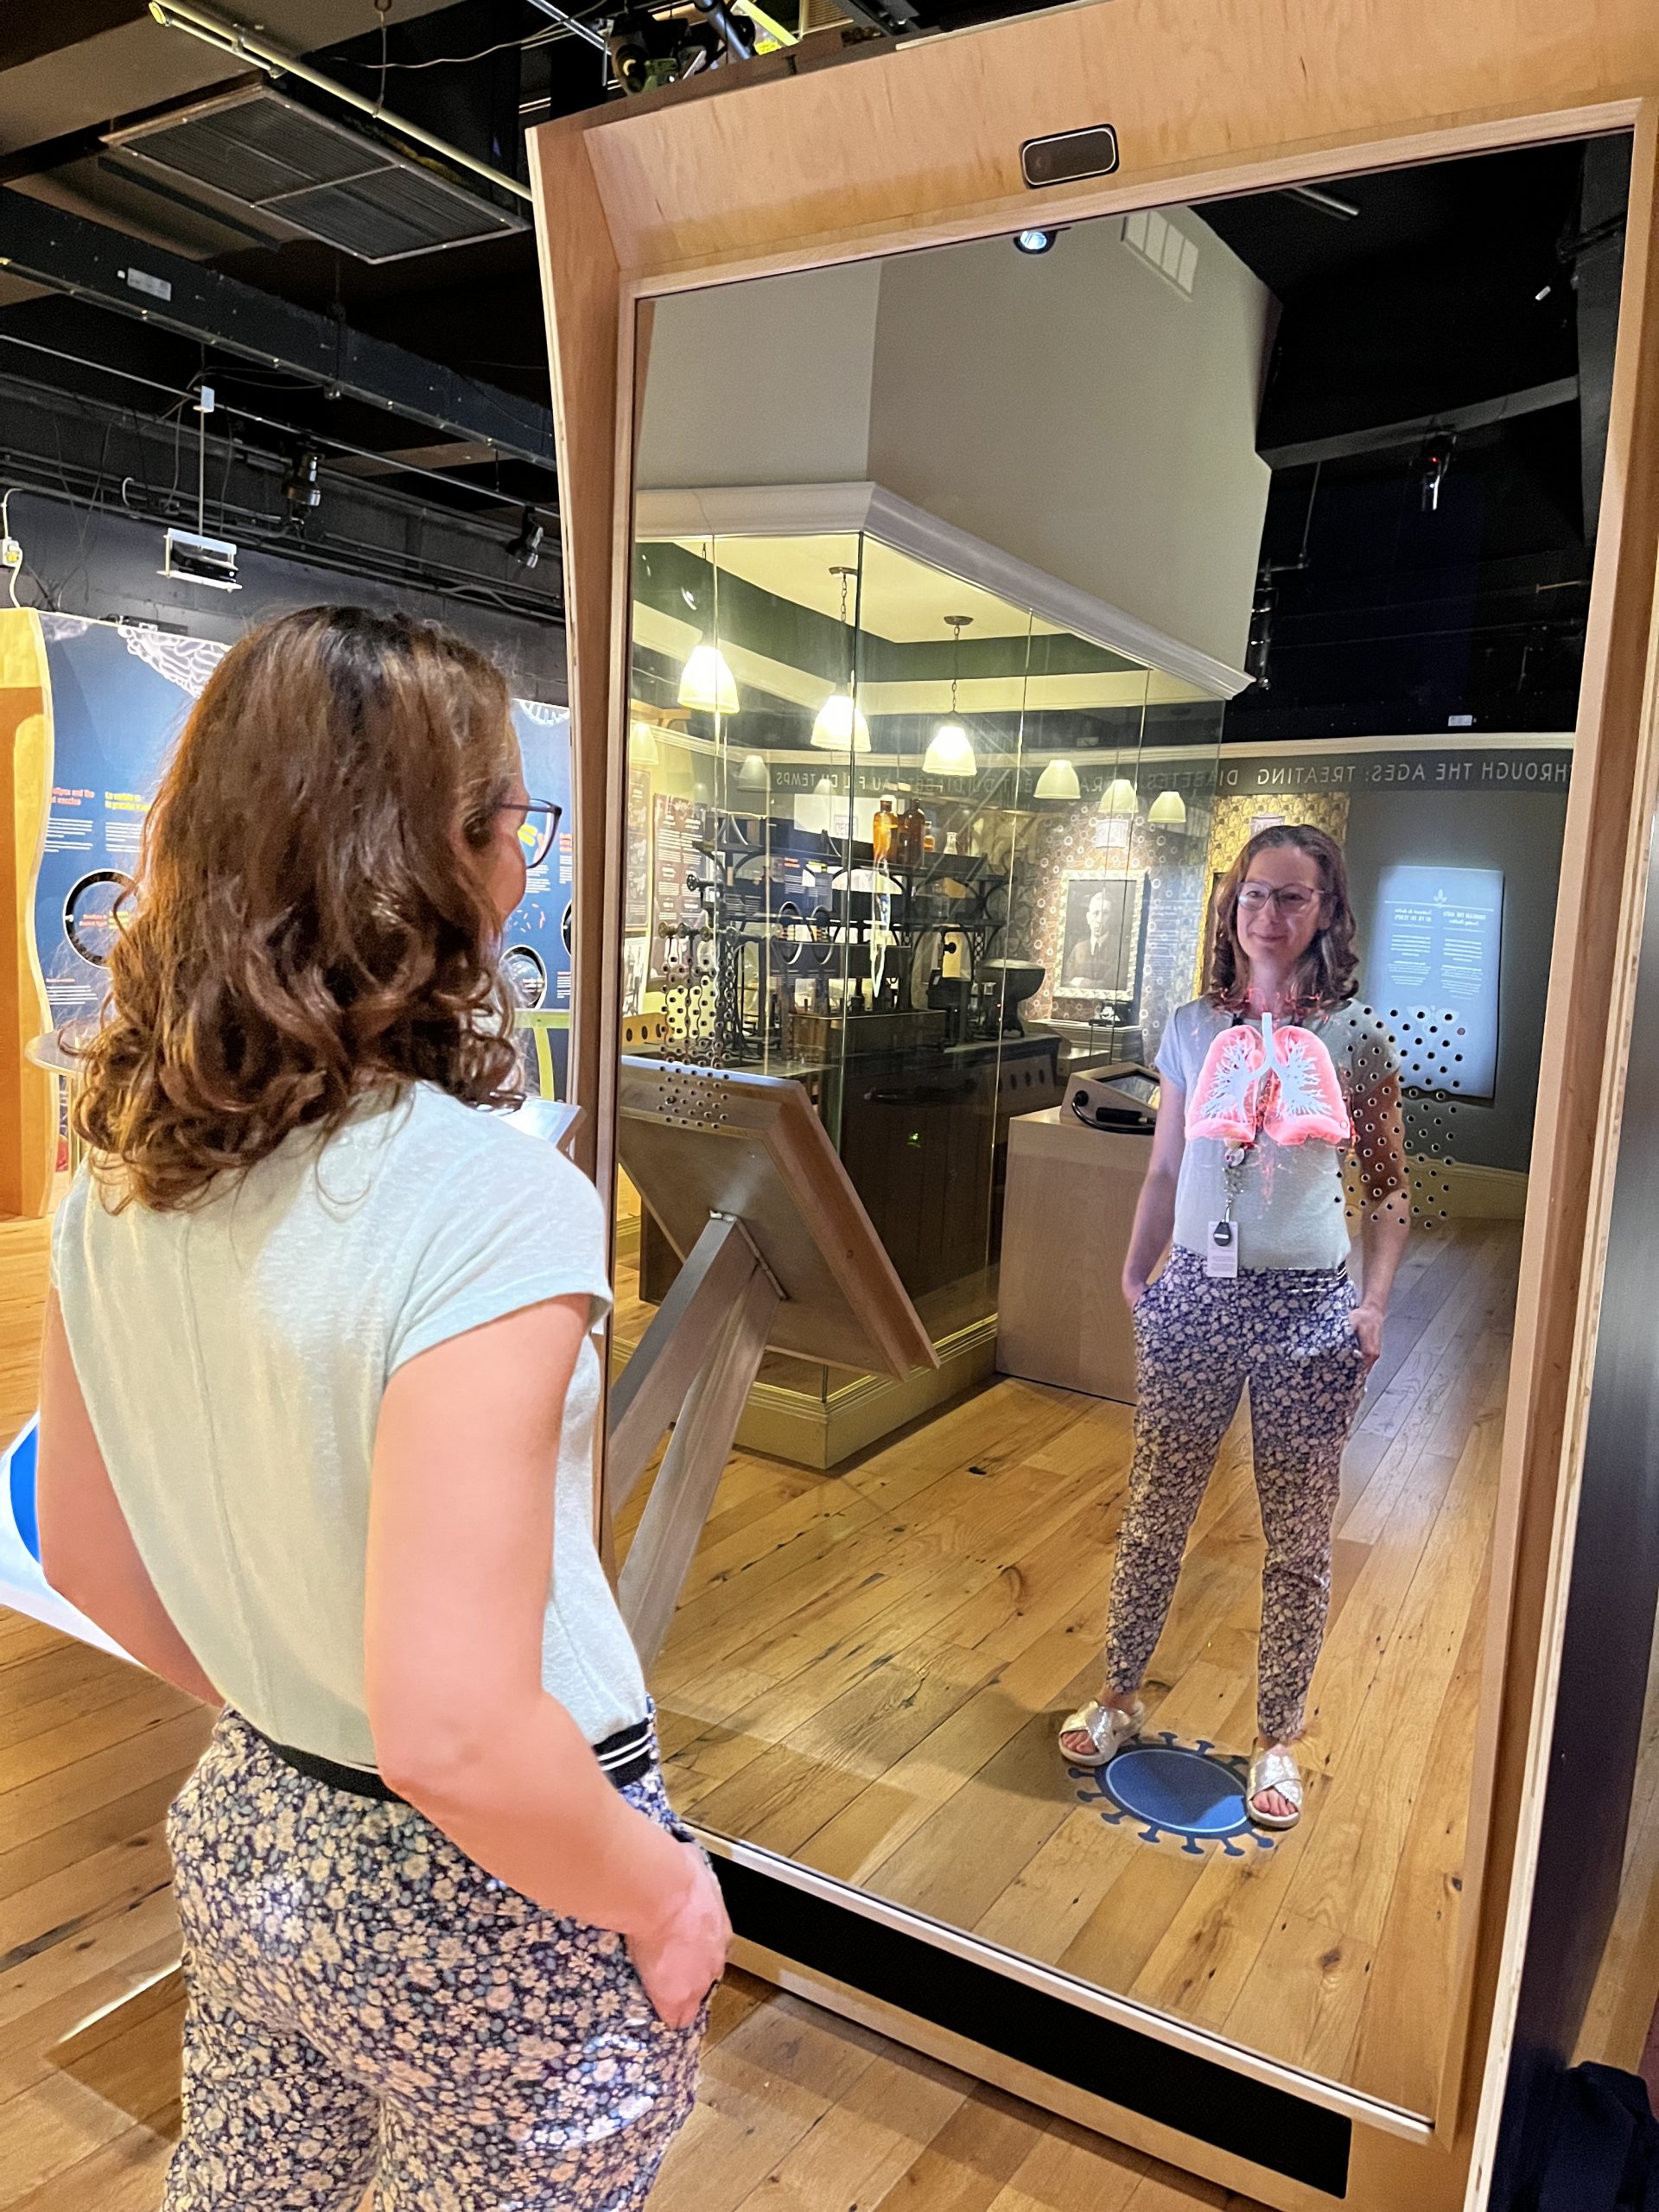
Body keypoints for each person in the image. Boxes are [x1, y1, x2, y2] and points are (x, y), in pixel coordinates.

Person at [35, 607, 729, 2209]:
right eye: (507, 827)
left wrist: (293, 1711)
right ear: (444, 862)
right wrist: (663, 1894)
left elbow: (84, 1550)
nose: (518, 869)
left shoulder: (119, 1166)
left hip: (252, 1821)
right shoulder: (488, 1195)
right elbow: (460, 1730)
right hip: (505, 1895)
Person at [1058, 824, 1409, 1828]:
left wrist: (1372, 1303)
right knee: (1156, 1507)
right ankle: (1120, 1691)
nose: (1268, 914)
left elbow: (1389, 1193)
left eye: (1293, 898)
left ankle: (1277, 1737)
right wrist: (1137, 1278)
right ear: (1232, 902)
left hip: (1309, 1311)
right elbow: (1167, 1167)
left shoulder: (1357, 1041)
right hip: (1195, 1300)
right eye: (1255, 894)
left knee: (1298, 1534)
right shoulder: (1189, 1028)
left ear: (1327, 914)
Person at [1064, 887, 1122, 990]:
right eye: (1096, 913)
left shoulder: (1120, 951)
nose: (1099, 919)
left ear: (1111, 918)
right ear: (1088, 918)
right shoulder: (1078, 948)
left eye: (1105, 914)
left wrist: (1084, 983)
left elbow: (1114, 985)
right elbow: (1067, 982)